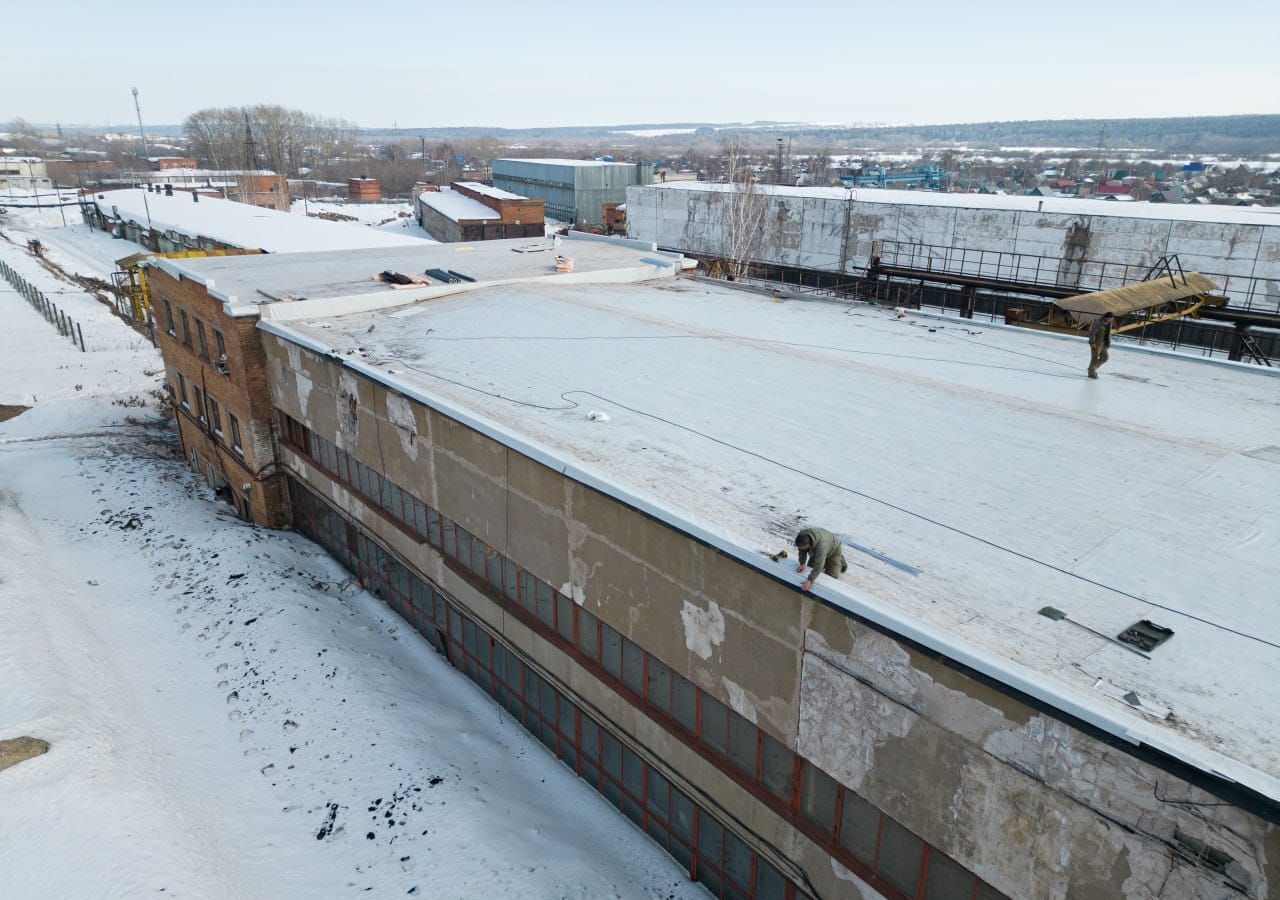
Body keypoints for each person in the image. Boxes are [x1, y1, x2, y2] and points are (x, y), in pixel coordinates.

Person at [1087, 311, 1115, 379]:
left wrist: (1108, 344)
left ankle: (1092, 369)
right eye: (1110, 318)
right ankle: (1091, 373)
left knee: (1105, 357)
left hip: (1104, 344)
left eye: (1112, 319)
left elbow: (1108, 335)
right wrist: (1092, 342)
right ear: (1106, 317)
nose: (1111, 320)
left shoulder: (1109, 324)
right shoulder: (1097, 322)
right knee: (1094, 358)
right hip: (1096, 343)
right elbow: (1092, 333)